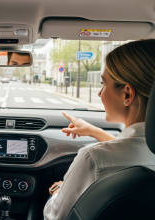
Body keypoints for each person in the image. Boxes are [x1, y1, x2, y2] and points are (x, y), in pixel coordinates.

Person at [43, 39, 155, 220]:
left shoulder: (93, 159)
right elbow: (135, 150)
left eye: (103, 84)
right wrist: (93, 131)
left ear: (127, 94)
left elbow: (55, 216)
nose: (99, 93)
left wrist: (57, 192)